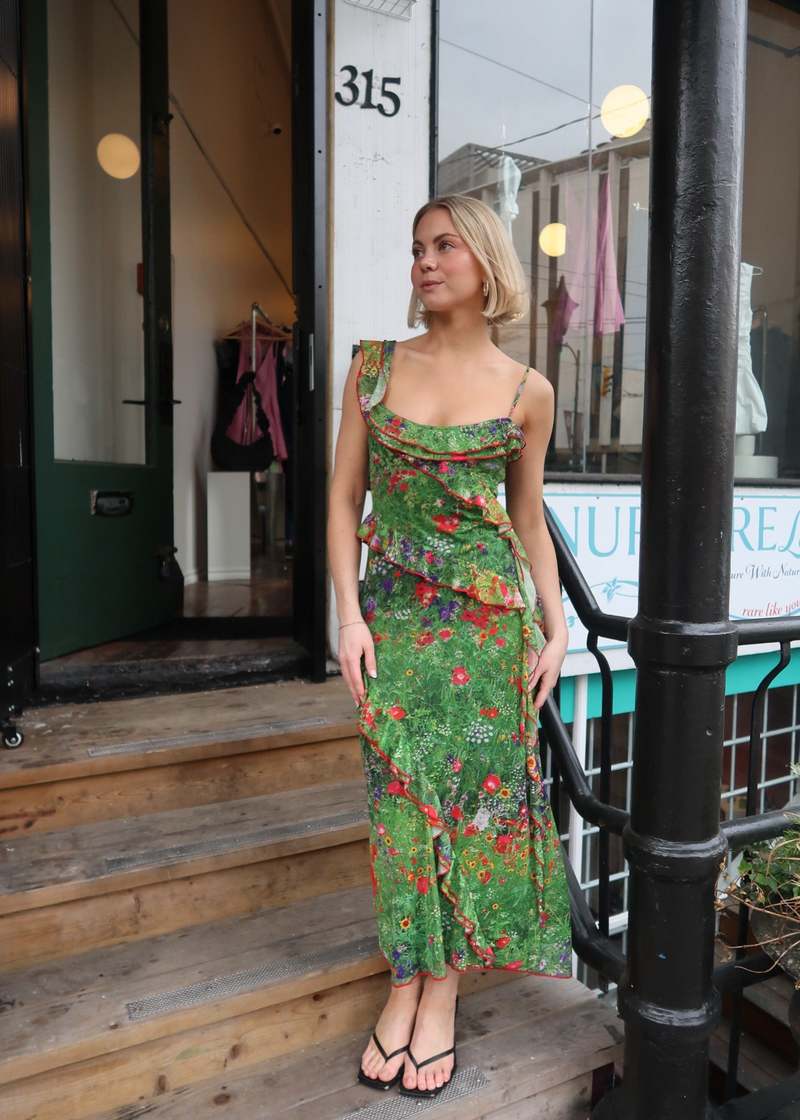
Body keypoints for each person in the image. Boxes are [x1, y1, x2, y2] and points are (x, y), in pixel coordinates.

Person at [327, 193, 572, 1100]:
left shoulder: (527, 390)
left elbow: (527, 519)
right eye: (417, 247)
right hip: (393, 624)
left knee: (472, 813)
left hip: (490, 629)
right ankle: (406, 979)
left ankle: (443, 995)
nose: (426, 261)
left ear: (486, 262)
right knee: (399, 811)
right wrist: (348, 616)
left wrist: (557, 625)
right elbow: (342, 499)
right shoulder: (372, 367)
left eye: (445, 246)